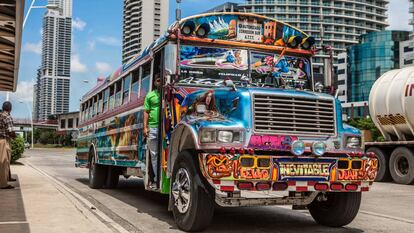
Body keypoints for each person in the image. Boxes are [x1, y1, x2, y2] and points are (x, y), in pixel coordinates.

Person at [144, 75, 161, 189]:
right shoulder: (150, 95)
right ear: (155, 82)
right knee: (154, 155)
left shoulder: (168, 93)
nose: (160, 82)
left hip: (165, 128)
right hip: (153, 128)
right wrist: (145, 127)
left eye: (161, 80)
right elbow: (146, 111)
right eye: (158, 80)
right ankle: (156, 179)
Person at [0, 101, 16, 189]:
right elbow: (10, 131)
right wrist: (15, 136)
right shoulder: (7, 117)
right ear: (10, 108)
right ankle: (3, 184)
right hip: (3, 141)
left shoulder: (0, 115)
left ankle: (7, 177)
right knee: (4, 162)